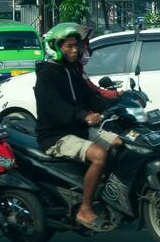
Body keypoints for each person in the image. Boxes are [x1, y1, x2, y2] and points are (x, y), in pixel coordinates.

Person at [34, 27, 118, 228]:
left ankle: (110, 195)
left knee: (120, 143)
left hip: (78, 131)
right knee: (99, 155)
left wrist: (118, 103)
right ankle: (85, 209)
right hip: (56, 136)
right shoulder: (46, 75)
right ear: (56, 48)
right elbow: (55, 107)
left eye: (76, 46)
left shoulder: (71, 71)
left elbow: (90, 97)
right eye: (69, 46)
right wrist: (84, 116)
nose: (75, 51)